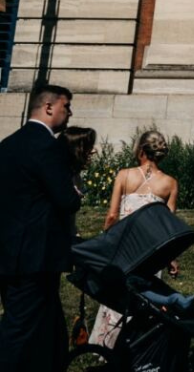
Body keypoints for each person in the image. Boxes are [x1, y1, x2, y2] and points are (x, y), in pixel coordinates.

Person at [0, 84, 82, 372]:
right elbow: (66, 199)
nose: (69, 113)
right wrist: (75, 194)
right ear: (49, 107)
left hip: (9, 253)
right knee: (19, 330)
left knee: (47, 325)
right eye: (66, 107)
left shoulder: (8, 144)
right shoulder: (48, 147)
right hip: (36, 257)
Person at [90, 130, 182, 347]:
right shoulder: (170, 183)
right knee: (144, 299)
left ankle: (107, 346)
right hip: (150, 253)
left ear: (141, 149)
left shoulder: (124, 175)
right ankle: (137, 348)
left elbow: (112, 215)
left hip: (122, 249)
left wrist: (105, 243)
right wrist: (171, 259)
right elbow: (169, 229)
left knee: (115, 298)